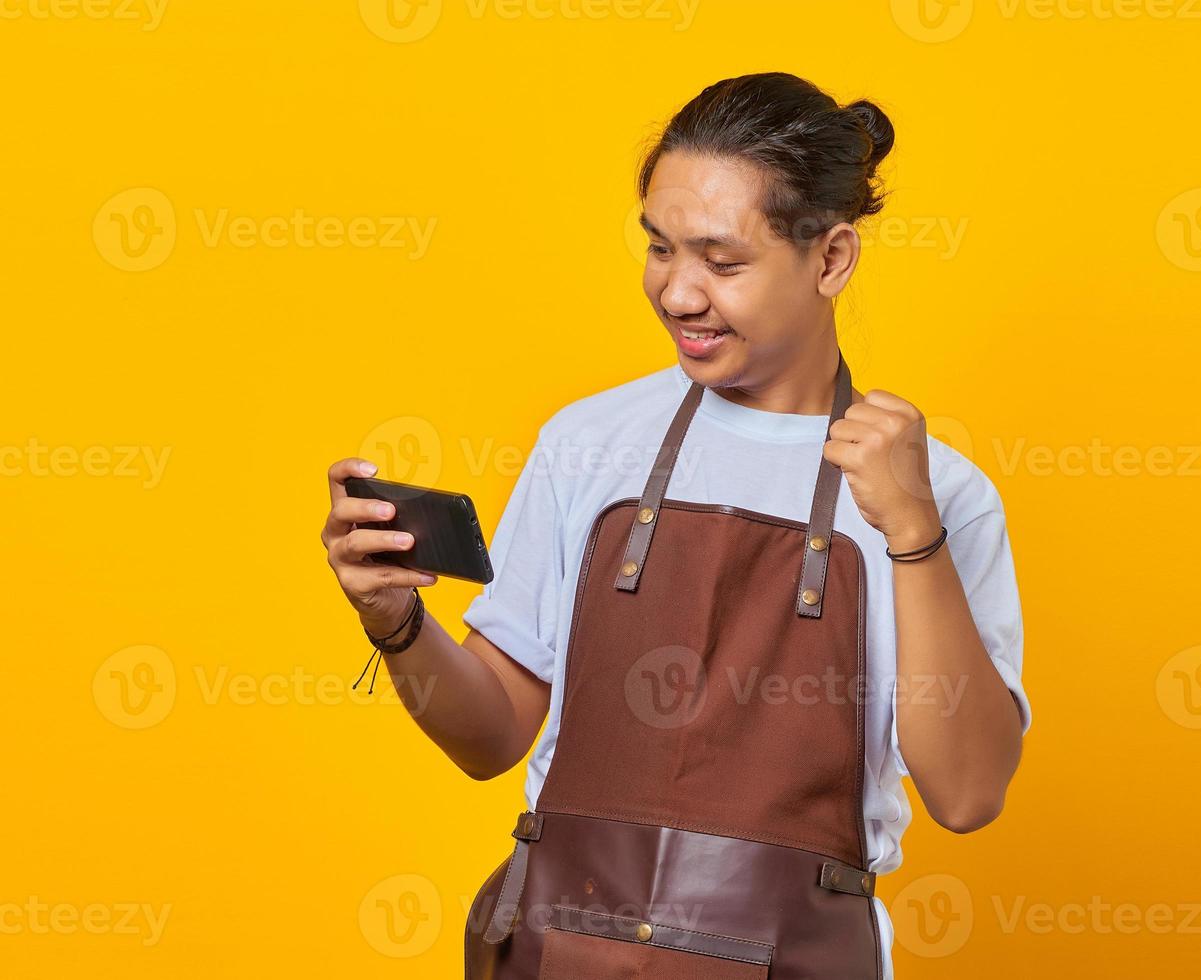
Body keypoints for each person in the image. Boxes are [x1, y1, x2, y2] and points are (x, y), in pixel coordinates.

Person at [321, 71, 1030, 980]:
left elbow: (968, 794)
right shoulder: (588, 443)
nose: (679, 294)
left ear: (832, 259)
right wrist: (396, 623)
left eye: (721, 262)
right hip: (558, 950)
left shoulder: (935, 493)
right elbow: (492, 738)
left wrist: (913, 534)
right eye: (659, 249)